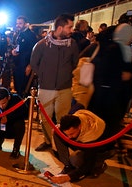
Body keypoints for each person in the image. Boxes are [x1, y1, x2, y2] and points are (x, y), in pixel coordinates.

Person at [30, 14, 79, 152]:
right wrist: (45, 76)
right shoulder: (41, 45)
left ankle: (60, 144)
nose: (71, 30)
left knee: (62, 119)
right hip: (46, 88)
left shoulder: (73, 45)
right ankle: (48, 141)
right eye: (69, 27)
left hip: (65, 88)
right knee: (45, 119)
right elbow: (34, 63)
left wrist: (65, 76)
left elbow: (75, 63)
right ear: (60, 27)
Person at [50, 109, 114, 184]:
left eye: (72, 133)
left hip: (101, 149)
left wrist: (69, 177)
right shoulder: (76, 118)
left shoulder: (92, 136)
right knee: (57, 133)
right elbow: (64, 132)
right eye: (67, 134)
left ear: (79, 126)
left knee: (76, 159)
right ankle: (68, 166)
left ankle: (99, 165)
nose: (69, 137)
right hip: (83, 143)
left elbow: (88, 164)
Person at [11, 16, 38, 97]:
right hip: (18, 65)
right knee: (18, 90)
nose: (18, 25)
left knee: (24, 91)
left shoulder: (31, 35)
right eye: (17, 23)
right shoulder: (19, 34)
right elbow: (19, 47)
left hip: (25, 66)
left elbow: (34, 52)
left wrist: (30, 65)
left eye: (20, 23)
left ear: (26, 24)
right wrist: (13, 51)